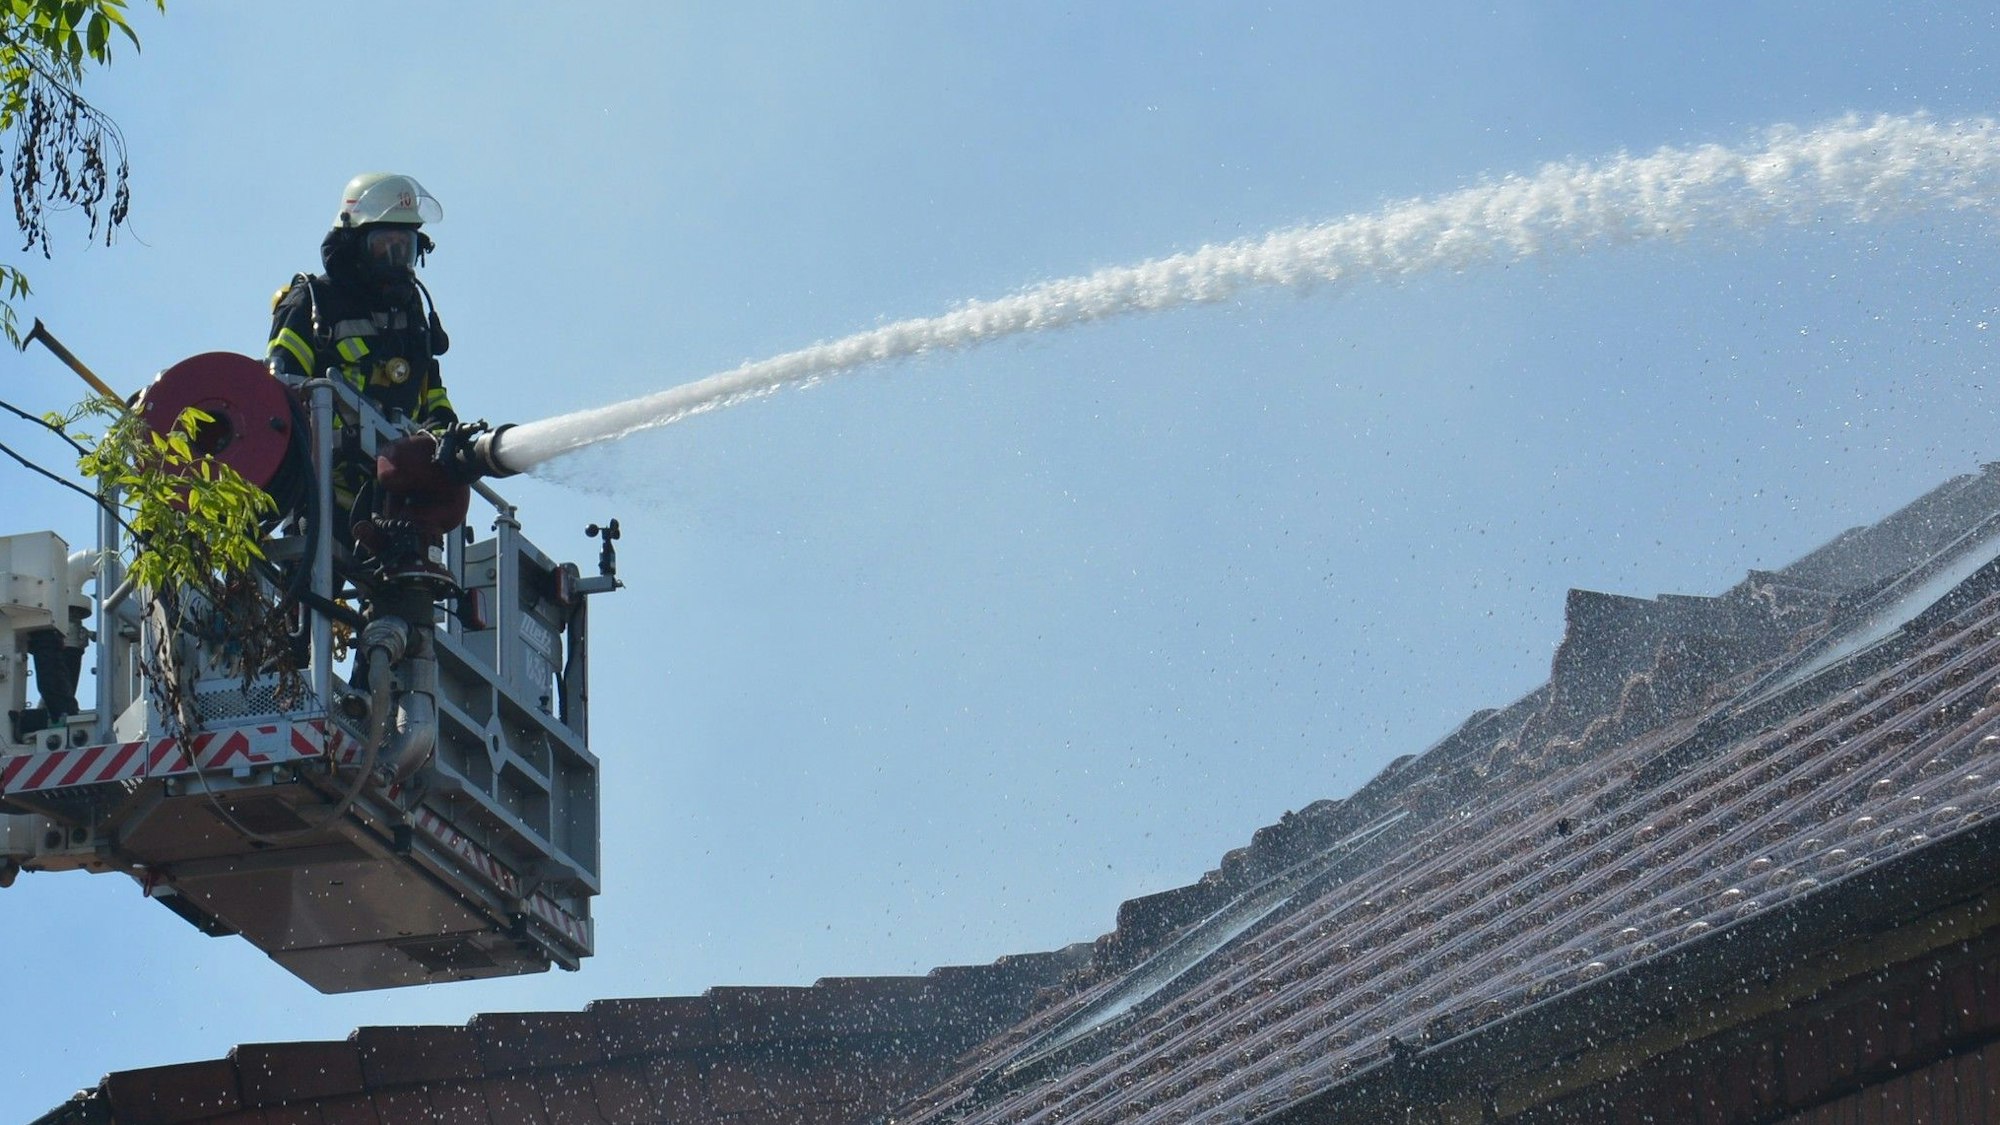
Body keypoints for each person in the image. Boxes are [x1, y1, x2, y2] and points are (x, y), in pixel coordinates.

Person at [266, 172, 456, 430]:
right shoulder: (312, 305)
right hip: (326, 465)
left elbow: (431, 397)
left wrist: (447, 441)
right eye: (384, 245)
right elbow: (280, 397)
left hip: (399, 469)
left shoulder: (410, 313)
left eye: (404, 247)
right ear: (352, 244)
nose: (395, 258)